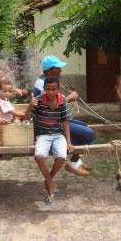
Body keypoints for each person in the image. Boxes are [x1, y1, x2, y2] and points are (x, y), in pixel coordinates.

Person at [33, 55, 95, 176]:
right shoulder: (42, 84)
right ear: (50, 70)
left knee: (84, 125)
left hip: (58, 120)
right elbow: (49, 108)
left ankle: (76, 161)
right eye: (58, 68)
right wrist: (69, 98)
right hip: (51, 123)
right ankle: (73, 161)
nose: (61, 71)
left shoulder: (46, 81)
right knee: (89, 133)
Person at [24, 75, 73, 204]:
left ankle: (48, 180)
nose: (50, 92)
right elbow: (26, 118)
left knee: (62, 157)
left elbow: (65, 122)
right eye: (48, 89)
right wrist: (30, 106)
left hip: (58, 135)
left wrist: (68, 141)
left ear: (58, 90)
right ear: (44, 89)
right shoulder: (38, 100)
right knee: (39, 157)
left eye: (53, 89)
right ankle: (51, 183)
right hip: (42, 135)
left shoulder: (62, 100)